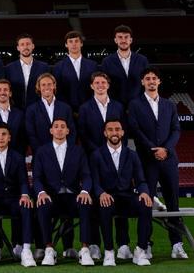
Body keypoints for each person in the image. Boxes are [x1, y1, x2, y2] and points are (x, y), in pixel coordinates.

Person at [127, 66, 187, 260]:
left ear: (159, 82)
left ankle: (177, 244)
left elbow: (176, 130)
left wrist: (166, 149)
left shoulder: (169, 105)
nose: (151, 81)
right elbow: (135, 130)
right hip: (147, 160)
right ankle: (146, 244)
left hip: (168, 160)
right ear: (142, 82)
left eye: (154, 78)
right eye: (147, 78)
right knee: (146, 203)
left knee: (173, 203)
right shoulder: (135, 105)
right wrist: (153, 149)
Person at [89, 119, 153, 267]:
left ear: (122, 132)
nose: (114, 132)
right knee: (104, 206)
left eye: (117, 129)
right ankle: (109, 252)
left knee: (145, 203)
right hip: (107, 197)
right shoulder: (96, 155)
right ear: (105, 133)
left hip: (127, 197)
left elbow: (141, 180)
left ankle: (141, 250)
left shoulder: (132, 154)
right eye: (110, 130)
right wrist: (101, 193)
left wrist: (144, 192)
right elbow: (94, 181)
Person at [32, 118, 96, 267]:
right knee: (42, 204)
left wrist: (85, 191)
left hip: (73, 195)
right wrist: (41, 192)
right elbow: (37, 177)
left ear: (68, 131)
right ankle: (49, 249)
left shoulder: (78, 150)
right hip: (51, 196)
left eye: (63, 127)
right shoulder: (42, 151)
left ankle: (85, 249)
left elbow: (86, 175)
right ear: (51, 131)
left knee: (85, 203)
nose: (59, 129)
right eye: (56, 126)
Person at [77, 72, 127, 260]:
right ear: (91, 86)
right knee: (96, 203)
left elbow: (123, 131)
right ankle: (95, 244)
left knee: (121, 198)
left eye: (103, 82)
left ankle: (123, 244)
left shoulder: (118, 107)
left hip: (117, 158)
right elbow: (82, 133)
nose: (100, 85)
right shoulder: (84, 108)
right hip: (94, 158)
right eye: (96, 82)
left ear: (108, 85)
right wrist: (100, 151)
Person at [0, 123, 36, 268]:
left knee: (26, 206)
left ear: (9, 137)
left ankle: (26, 250)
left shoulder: (17, 156)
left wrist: (24, 195)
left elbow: (23, 180)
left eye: (4, 134)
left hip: (13, 198)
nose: (1, 137)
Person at [99, 25, 149, 110]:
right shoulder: (107, 61)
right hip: (115, 106)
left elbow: (146, 83)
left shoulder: (142, 60)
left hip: (139, 106)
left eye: (126, 37)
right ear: (115, 40)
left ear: (131, 40)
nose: (123, 40)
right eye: (120, 37)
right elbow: (105, 85)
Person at [25, 73, 75, 152]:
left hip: (64, 152)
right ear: (38, 87)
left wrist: (66, 150)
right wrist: (41, 151)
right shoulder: (31, 109)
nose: (47, 87)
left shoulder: (66, 108)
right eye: (43, 85)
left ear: (54, 86)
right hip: (40, 153)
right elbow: (31, 134)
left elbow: (72, 132)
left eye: (49, 84)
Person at [52, 31, 97, 114]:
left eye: (76, 41)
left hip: (90, 109)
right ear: (66, 44)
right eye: (70, 41)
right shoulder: (58, 67)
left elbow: (95, 89)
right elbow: (57, 91)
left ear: (81, 43)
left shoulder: (93, 65)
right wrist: (66, 108)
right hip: (66, 110)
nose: (74, 44)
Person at [4, 33, 50, 110]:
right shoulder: (9, 68)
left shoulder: (44, 67)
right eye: (22, 44)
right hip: (15, 109)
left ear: (33, 46)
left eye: (28, 44)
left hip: (38, 109)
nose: (25, 47)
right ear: (18, 48)